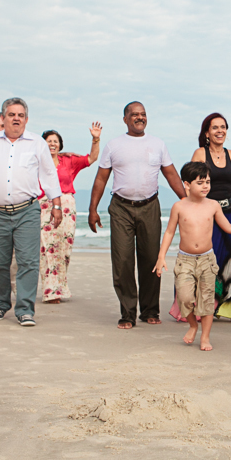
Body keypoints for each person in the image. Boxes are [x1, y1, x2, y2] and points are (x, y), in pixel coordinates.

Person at [0, 98, 63, 327]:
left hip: (27, 210)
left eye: (20, 115)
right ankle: (0, 304)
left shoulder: (37, 143)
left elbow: (49, 175)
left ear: (26, 119)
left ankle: (25, 309)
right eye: (11, 114)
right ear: (3, 118)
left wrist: (57, 205)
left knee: (28, 262)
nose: (16, 118)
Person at [87, 101, 185, 329]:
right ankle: (128, 313)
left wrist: (187, 200)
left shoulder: (158, 144)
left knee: (151, 259)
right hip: (121, 208)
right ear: (125, 119)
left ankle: (149, 310)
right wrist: (92, 209)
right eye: (134, 115)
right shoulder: (113, 145)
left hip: (150, 206)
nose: (139, 118)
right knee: (122, 261)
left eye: (143, 114)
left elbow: (170, 174)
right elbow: (101, 178)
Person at [154, 162, 231, 351]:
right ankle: (193, 325)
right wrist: (161, 257)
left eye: (208, 182)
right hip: (185, 260)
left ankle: (205, 336)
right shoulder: (179, 207)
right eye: (200, 182)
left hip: (207, 260)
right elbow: (169, 233)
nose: (206, 186)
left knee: (207, 300)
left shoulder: (213, 206)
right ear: (187, 185)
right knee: (185, 298)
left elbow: (229, 227)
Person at [190, 113, 231, 324]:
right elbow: (193, 186)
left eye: (223, 127)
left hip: (230, 211)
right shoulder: (200, 153)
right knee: (208, 259)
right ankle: (205, 306)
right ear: (207, 132)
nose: (220, 131)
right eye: (215, 128)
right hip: (207, 214)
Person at [38, 123, 102, 304]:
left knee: (64, 248)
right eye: (48, 141)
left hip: (67, 206)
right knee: (47, 248)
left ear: (60, 145)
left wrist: (95, 139)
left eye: (55, 141)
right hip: (44, 207)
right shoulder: (36, 162)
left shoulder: (69, 161)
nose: (52, 144)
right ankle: (50, 291)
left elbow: (92, 158)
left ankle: (60, 288)